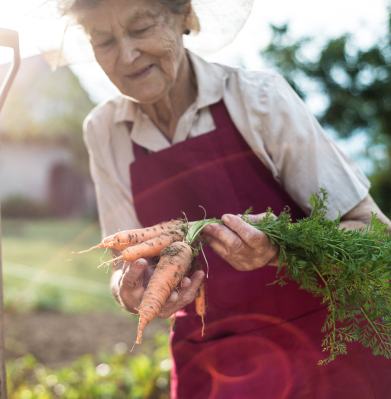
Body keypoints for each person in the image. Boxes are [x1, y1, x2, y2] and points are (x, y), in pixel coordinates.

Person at [35, 0, 391, 397]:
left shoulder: (259, 99)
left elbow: (375, 231)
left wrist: (281, 249)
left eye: (140, 30)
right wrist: (130, 290)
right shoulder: (104, 130)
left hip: (322, 350)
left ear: (184, 15)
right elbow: (124, 265)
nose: (126, 55)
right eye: (103, 41)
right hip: (211, 363)